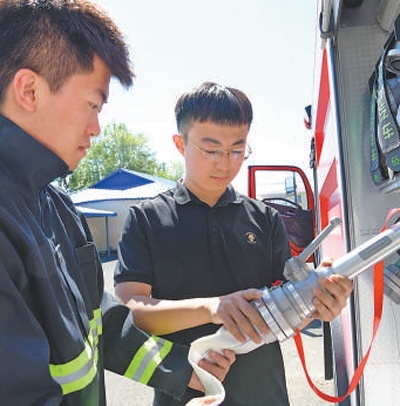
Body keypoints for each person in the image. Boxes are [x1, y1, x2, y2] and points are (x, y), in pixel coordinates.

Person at [0, 3, 236, 405]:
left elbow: (102, 321)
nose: (97, 128)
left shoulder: (57, 207)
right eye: (93, 105)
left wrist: (183, 371)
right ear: (29, 91)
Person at [114, 81, 354, 406]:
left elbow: (286, 312)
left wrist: (319, 303)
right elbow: (130, 311)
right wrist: (212, 308)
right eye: (211, 150)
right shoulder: (147, 219)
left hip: (266, 396)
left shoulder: (265, 219)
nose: (225, 162)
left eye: (237, 150)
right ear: (180, 143)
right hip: (187, 397)